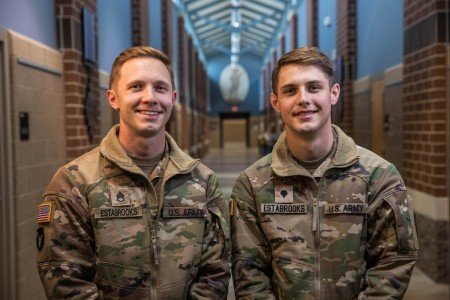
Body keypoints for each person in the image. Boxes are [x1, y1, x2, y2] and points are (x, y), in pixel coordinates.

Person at [36, 46, 231, 299]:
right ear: (113, 98)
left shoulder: (202, 181)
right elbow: (65, 283)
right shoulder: (74, 182)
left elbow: (215, 273)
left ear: (172, 98)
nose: (150, 97)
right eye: (136, 87)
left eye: (160, 88)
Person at [230, 46, 419, 299]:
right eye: (290, 90)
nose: (303, 99)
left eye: (314, 87)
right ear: (275, 101)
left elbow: (394, 264)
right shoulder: (253, 185)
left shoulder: (379, 177)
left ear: (334, 93)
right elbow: (249, 273)